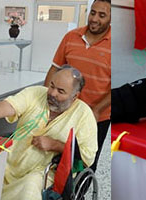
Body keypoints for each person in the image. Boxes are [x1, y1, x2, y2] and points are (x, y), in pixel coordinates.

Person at [0, 66, 97, 200]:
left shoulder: (83, 115)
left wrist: (55, 145)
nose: (52, 93)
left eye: (60, 91)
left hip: (44, 176)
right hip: (11, 165)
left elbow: (87, 158)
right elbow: (10, 105)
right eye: (52, 86)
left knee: (30, 187)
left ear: (75, 96)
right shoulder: (36, 93)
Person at [42, 0, 111, 173]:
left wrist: (95, 110)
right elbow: (55, 69)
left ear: (111, 18)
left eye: (102, 15)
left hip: (97, 116)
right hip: (65, 111)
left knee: (85, 161)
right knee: (57, 156)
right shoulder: (71, 37)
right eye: (93, 12)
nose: (95, 18)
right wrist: (45, 97)